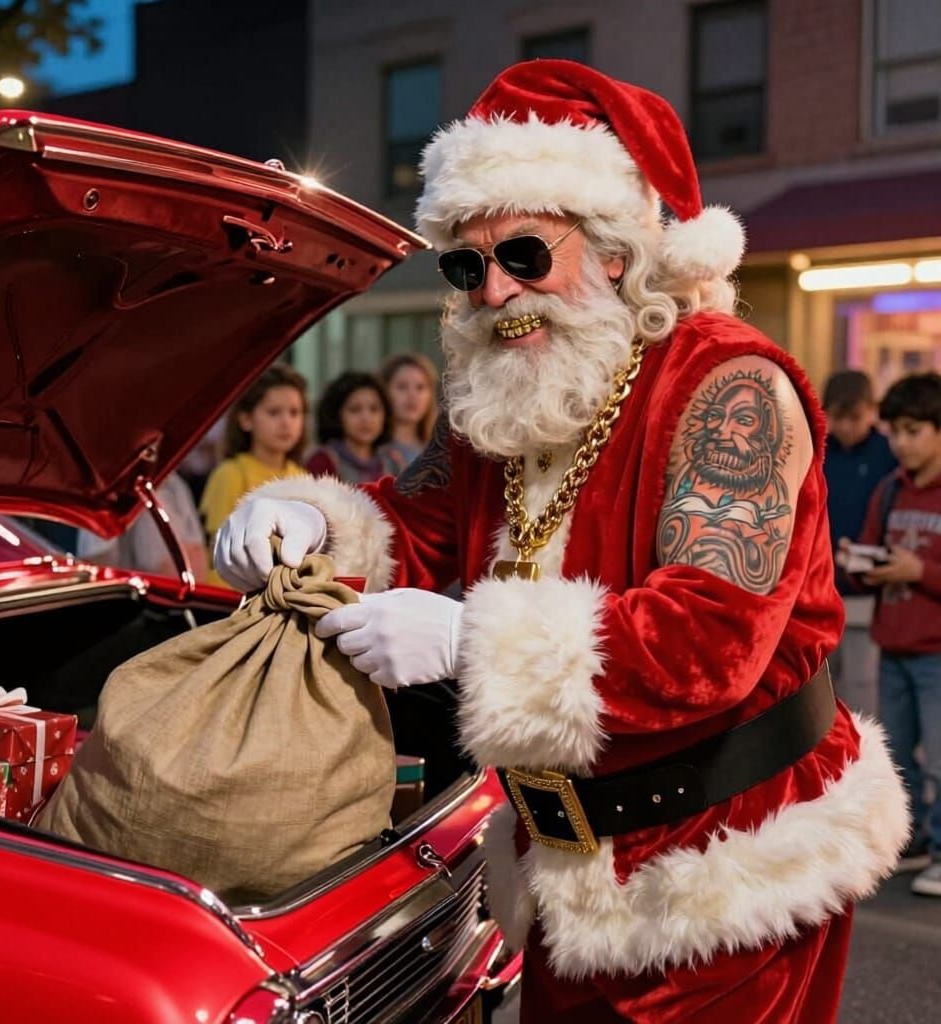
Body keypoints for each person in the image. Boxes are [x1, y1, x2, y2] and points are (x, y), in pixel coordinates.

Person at [214, 61, 907, 1022]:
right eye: (468, 265)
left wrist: (469, 640)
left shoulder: (732, 387)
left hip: (724, 879)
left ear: (617, 251)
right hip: (564, 868)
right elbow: (407, 522)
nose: (496, 293)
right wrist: (306, 522)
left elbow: (712, 637)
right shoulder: (503, 396)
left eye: (526, 256)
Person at [848, 373, 941, 898]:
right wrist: (860, 565)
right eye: (896, 431)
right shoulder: (888, 491)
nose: (901, 442)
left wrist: (918, 572)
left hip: (936, 652)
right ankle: (916, 839)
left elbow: (918, 569)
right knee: (898, 754)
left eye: (914, 430)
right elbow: (871, 551)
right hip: (895, 646)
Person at [823, 370, 897, 715]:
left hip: (868, 592)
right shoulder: (820, 450)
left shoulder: (888, 453)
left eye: (855, 418)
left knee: (861, 692)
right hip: (824, 587)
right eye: (838, 418)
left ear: (871, 411)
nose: (847, 427)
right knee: (822, 687)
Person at [199, 364, 307, 585]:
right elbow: (217, 552)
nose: (286, 422)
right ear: (246, 419)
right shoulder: (230, 474)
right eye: (274, 412)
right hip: (234, 595)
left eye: (294, 412)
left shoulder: (303, 478)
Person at [78, 472, 208, 583]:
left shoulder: (175, 485)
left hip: (177, 599)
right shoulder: (108, 488)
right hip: (138, 603)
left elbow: (198, 563)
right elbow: (98, 563)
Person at [305, 371, 399, 484]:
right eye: (355, 409)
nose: (366, 418)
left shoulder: (392, 462)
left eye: (374, 409)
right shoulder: (323, 462)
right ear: (336, 415)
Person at [379, 353, 439, 472]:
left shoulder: (440, 449)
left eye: (420, 387)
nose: (413, 396)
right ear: (384, 391)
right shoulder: (374, 450)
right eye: (402, 387)